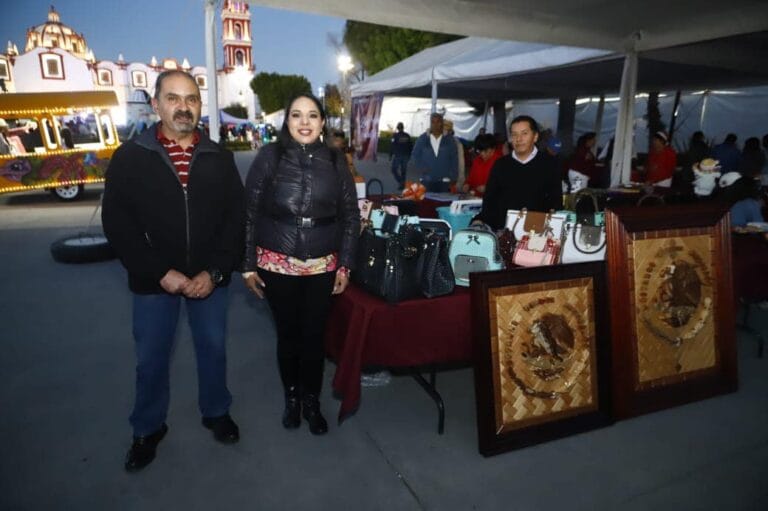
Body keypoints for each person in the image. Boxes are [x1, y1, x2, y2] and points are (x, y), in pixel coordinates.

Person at [102, 70, 246, 473]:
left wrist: (215, 272)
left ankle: (216, 412)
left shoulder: (220, 157)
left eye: (192, 99)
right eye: (173, 98)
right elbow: (118, 225)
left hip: (208, 280)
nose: (184, 107)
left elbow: (236, 221)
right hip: (154, 282)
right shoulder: (130, 157)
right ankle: (147, 428)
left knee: (213, 349)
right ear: (156, 105)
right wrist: (159, 272)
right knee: (150, 359)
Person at [242, 94, 360, 436]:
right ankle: (291, 399)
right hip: (277, 262)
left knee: (314, 337)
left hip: (323, 264)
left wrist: (345, 264)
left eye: (312, 116)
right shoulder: (270, 156)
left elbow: (351, 216)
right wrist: (247, 265)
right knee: (288, 335)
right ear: (287, 121)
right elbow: (249, 213)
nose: (304, 122)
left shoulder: (336, 160)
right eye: (296, 115)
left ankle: (312, 402)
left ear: (323, 122)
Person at [473, 115, 563, 230]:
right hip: (503, 231)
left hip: (537, 232)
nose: (518, 139)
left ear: (535, 137)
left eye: (524, 133)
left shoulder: (549, 164)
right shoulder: (501, 165)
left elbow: (556, 204)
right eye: (514, 134)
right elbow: (489, 202)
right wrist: (480, 221)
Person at [410, 112, 458, 193]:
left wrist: (453, 177)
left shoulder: (449, 140)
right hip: (427, 180)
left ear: (442, 123)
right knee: (427, 200)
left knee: (443, 200)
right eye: (433, 122)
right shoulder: (423, 139)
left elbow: (454, 159)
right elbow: (414, 156)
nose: (435, 125)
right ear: (430, 123)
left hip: (445, 181)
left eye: (438, 122)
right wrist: (422, 168)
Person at [443, 119, 466, 192]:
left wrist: (459, 184)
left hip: (451, 182)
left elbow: (461, 165)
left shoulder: (456, 144)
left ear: (450, 131)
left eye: (444, 130)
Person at [389, 122, 412, 190]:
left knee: (393, 169)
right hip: (406, 156)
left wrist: (390, 155)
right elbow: (411, 146)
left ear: (397, 128)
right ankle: (402, 184)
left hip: (398, 155)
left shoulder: (395, 136)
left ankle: (401, 182)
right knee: (403, 171)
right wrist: (410, 155)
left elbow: (392, 146)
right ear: (403, 128)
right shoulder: (407, 136)